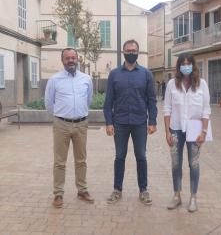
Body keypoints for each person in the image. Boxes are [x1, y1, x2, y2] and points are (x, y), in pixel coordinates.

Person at [103, 39, 158, 206]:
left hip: (140, 122)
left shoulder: (146, 74)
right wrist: (109, 122)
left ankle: (143, 190)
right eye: (128, 50)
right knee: (120, 157)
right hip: (120, 123)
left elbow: (152, 99)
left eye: (134, 50)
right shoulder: (114, 74)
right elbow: (108, 101)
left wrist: (152, 121)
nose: (131, 53)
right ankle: (117, 190)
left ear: (138, 52)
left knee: (141, 156)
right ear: (123, 52)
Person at [44, 48, 94, 208]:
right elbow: (48, 103)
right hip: (61, 125)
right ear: (62, 60)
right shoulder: (54, 80)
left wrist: (78, 113)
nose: (71, 60)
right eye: (68, 58)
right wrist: (61, 116)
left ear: (77, 59)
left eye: (73, 57)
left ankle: (82, 190)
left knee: (81, 160)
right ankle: (58, 194)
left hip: (81, 124)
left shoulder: (87, 79)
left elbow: (89, 100)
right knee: (59, 162)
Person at [163, 53, 211, 213]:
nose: (186, 66)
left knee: (193, 163)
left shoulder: (202, 84)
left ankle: (193, 197)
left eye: (188, 63)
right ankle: (177, 195)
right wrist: (167, 131)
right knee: (176, 163)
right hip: (176, 128)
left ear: (193, 65)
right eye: (183, 63)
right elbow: (167, 108)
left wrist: (204, 132)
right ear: (178, 66)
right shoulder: (171, 84)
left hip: (195, 130)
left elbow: (206, 110)